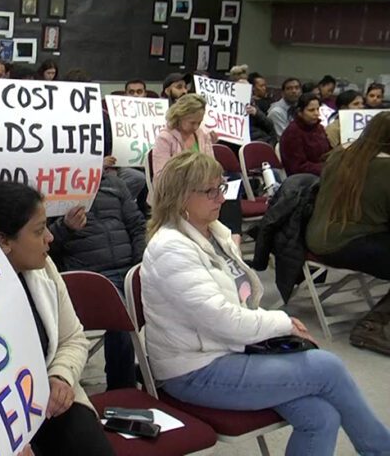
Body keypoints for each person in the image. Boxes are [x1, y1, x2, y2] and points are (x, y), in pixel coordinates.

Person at [141, 151, 390, 456]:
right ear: (181, 198)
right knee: (329, 367)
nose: (221, 198)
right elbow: (225, 321)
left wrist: (274, 327)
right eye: (211, 191)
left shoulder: (213, 233)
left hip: (228, 351)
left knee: (322, 417)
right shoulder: (171, 249)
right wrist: (282, 323)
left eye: (222, 187)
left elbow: (239, 306)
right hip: (194, 371)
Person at [0, 182, 115, 455]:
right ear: (3, 241)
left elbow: (72, 338)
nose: (50, 238)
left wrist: (62, 377)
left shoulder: (43, 268)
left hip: (50, 401)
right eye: (39, 230)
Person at [49, 170, 144, 390]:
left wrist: (140, 267)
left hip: (130, 270)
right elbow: (43, 244)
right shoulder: (53, 187)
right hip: (91, 278)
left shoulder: (113, 183)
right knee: (121, 318)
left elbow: (137, 225)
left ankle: (160, 377)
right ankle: (123, 391)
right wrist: (65, 228)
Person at [307, 112, 390, 354]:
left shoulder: (339, 155)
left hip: (317, 235)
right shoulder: (385, 169)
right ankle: (372, 327)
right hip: (346, 242)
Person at [152, 94, 242, 238]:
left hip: (204, 188)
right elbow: (161, 177)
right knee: (213, 199)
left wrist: (218, 181)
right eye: (192, 122)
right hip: (180, 191)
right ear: (179, 116)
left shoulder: (202, 134)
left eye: (198, 123)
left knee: (229, 194)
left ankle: (233, 239)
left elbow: (211, 165)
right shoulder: (165, 138)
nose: (195, 127)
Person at [280, 93, 331, 177]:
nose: (317, 113)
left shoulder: (319, 128)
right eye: (311, 110)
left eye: (318, 109)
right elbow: (297, 167)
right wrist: (326, 168)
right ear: (300, 112)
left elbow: (328, 152)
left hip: (324, 173)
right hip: (305, 181)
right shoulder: (292, 133)